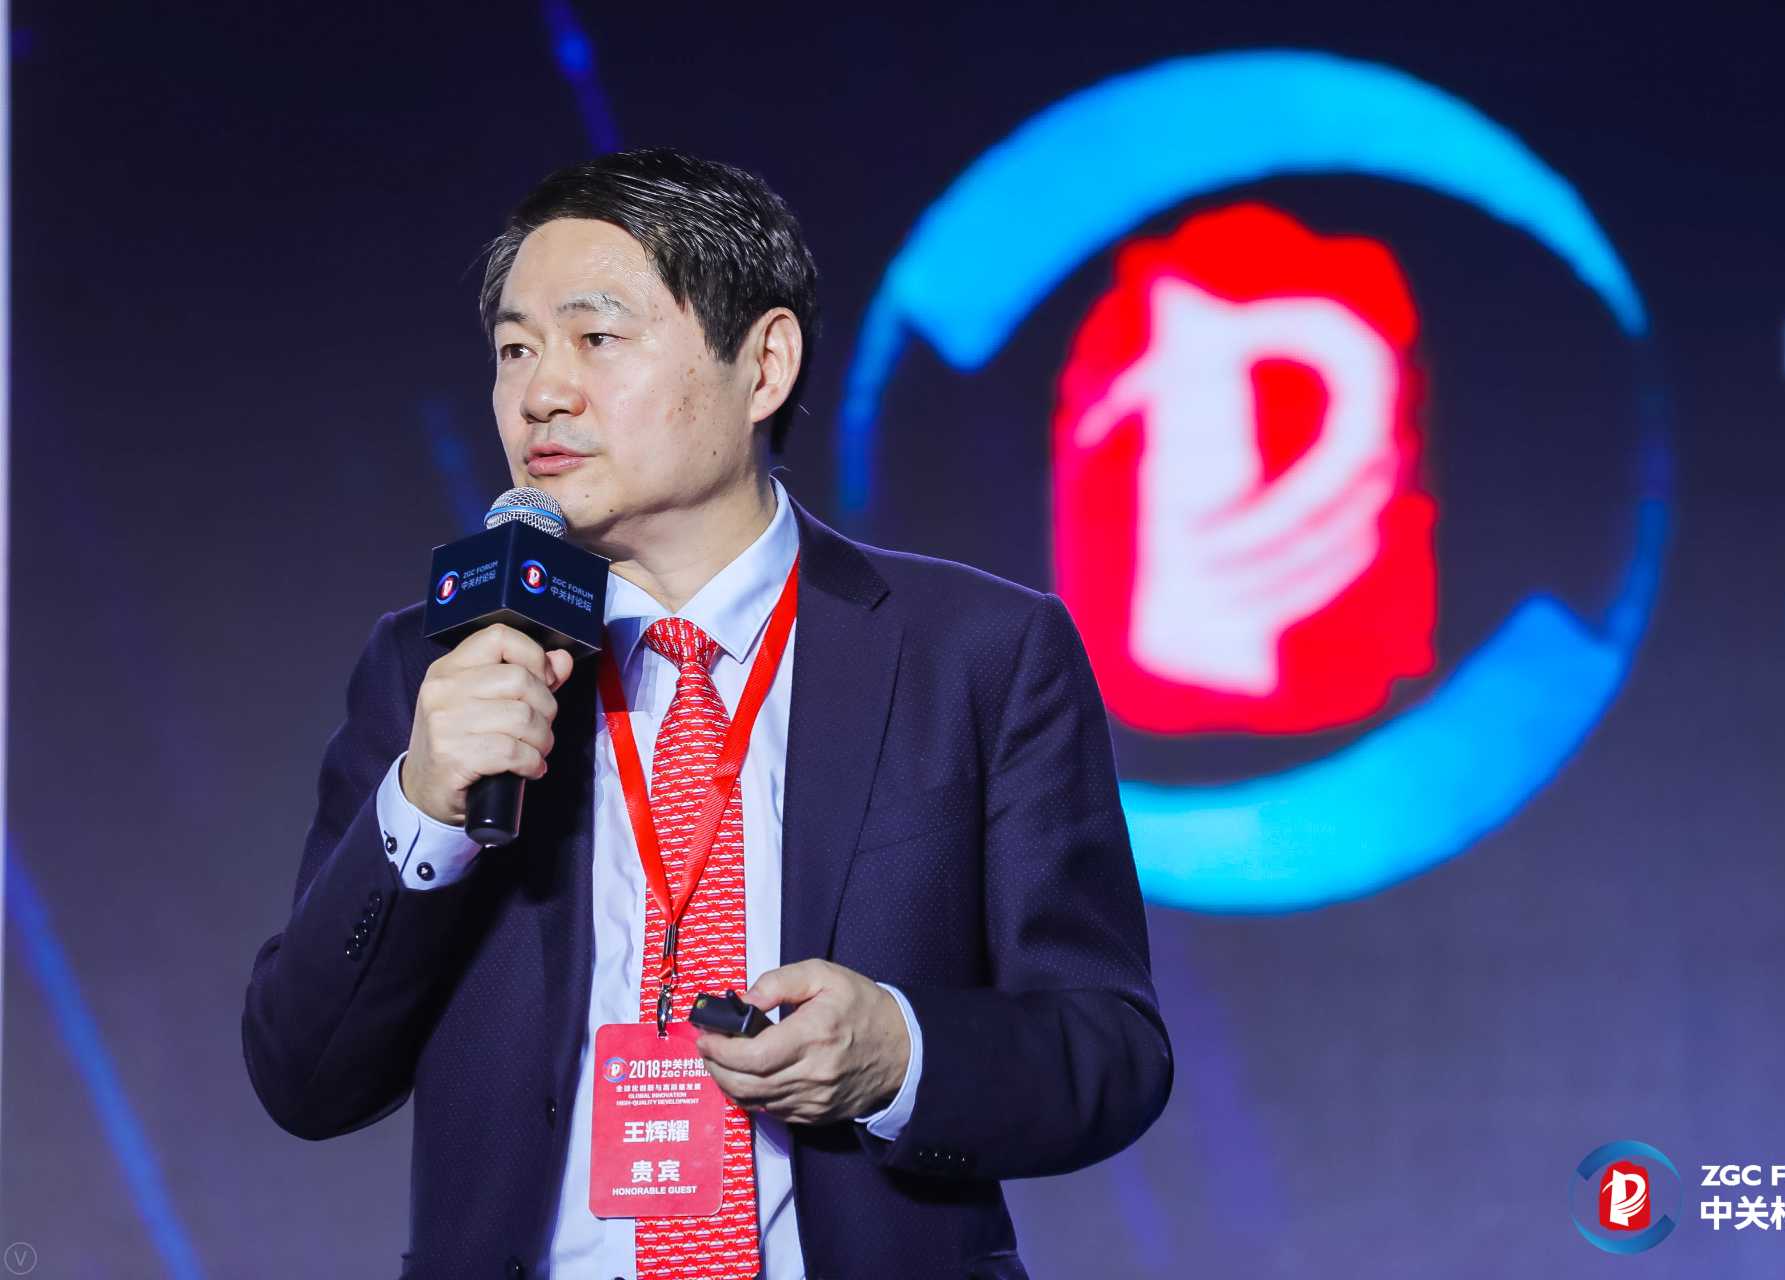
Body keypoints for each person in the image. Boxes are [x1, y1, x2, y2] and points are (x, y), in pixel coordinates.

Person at [241, 147, 1172, 1280]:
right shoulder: (435, 666)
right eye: (516, 350)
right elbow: (305, 1076)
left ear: (763, 363)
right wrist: (424, 810)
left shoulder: (977, 652)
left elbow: (1110, 1048)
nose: (542, 394)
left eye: (596, 337)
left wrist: (901, 1054)